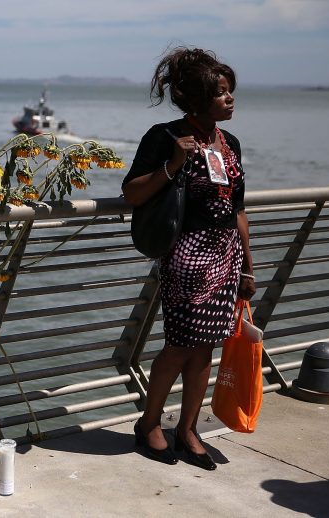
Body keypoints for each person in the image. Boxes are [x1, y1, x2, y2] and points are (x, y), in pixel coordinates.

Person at [122, 47, 256, 470]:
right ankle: (149, 423)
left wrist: (249, 265)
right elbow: (132, 193)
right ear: (197, 98)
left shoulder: (229, 142)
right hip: (186, 257)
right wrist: (173, 163)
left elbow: (238, 208)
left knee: (206, 349)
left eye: (230, 91)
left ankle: (188, 428)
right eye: (221, 93)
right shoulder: (164, 136)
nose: (230, 99)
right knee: (180, 345)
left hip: (226, 257)